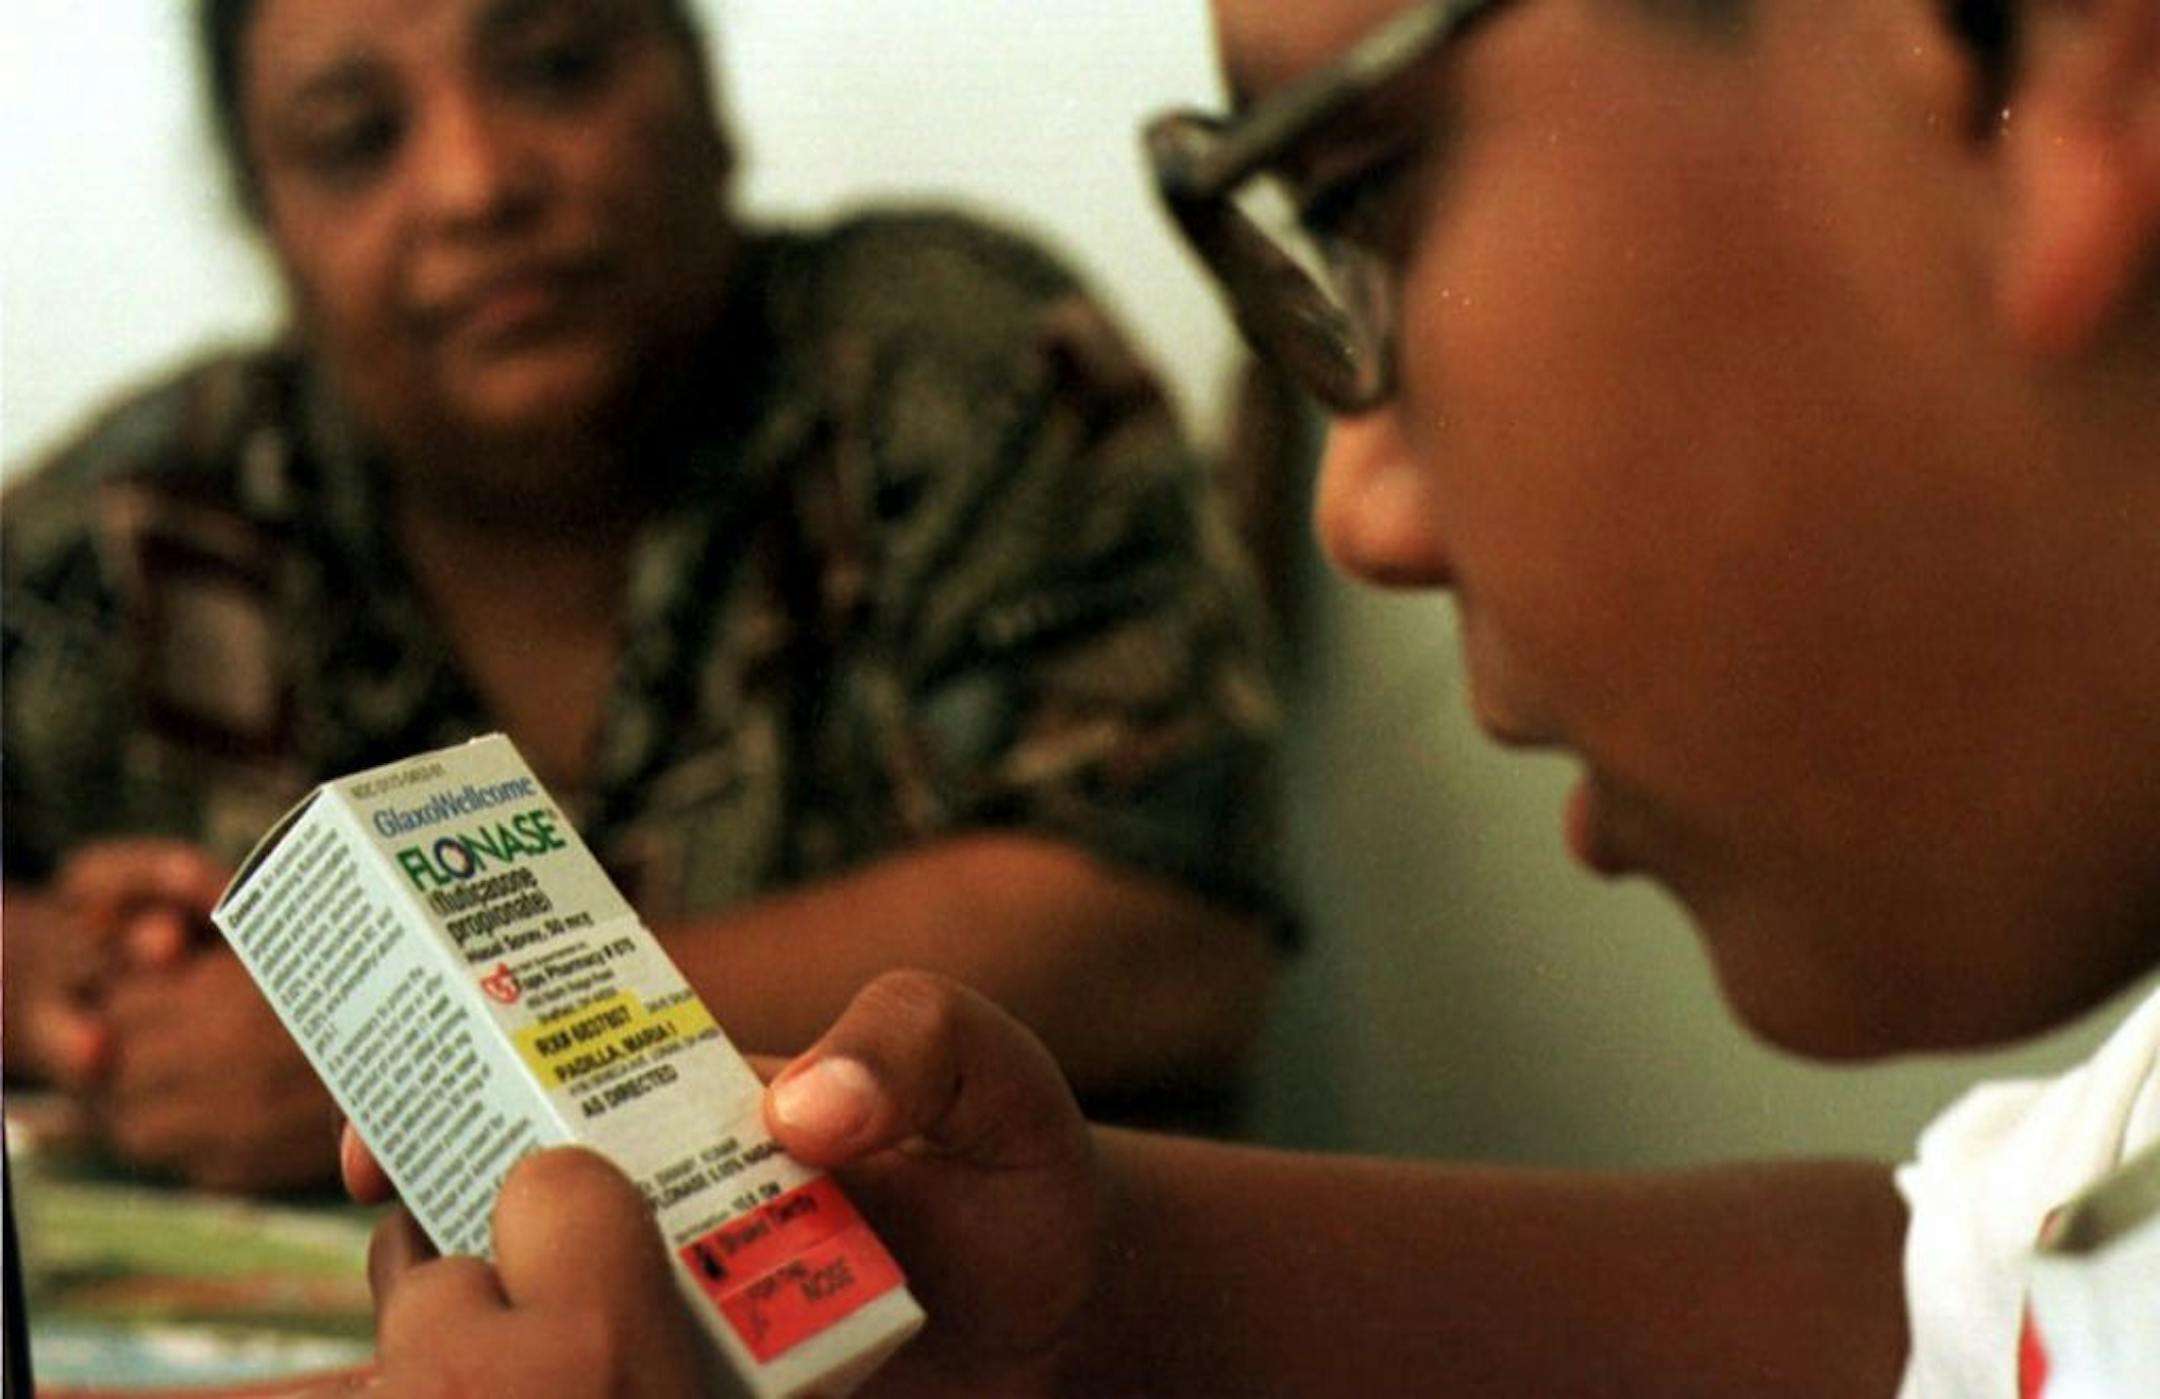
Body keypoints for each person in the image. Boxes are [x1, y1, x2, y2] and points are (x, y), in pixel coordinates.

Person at [328, 0, 2160, 1392]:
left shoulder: (946, 348)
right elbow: (1974, 1296)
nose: (1354, 511)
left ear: (2070, 69)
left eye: (1360, 193)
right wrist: (1098, 1272)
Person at [0, 0, 1286, 1194]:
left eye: (557, 66)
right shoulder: (142, 517)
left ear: (701, 89)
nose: (475, 184)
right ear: (268, 224)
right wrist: (50, 977)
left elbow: (1167, 931)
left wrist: (432, 1046)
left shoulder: (945, 354)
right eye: (356, 141)